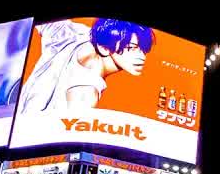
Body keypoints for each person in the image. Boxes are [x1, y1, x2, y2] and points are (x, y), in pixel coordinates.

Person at [18, 18, 154, 113]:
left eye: (144, 49)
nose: (142, 57)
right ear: (103, 48)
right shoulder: (85, 93)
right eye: (132, 48)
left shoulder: (70, 34)